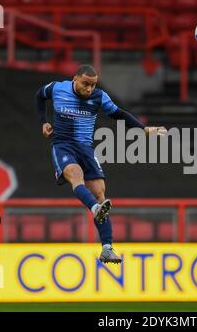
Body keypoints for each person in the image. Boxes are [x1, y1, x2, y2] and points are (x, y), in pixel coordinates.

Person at [36, 64, 166, 264]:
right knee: (75, 176)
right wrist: (43, 121)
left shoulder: (99, 97)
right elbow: (39, 96)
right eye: (86, 84)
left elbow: (119, 114)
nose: (89, 89)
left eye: (93, 85)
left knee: (100, 195)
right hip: (63, 145)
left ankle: (106, 248)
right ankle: (95, 209)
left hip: (86, 149)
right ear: (75, 79)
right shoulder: (57, 88)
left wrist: (144, 129)